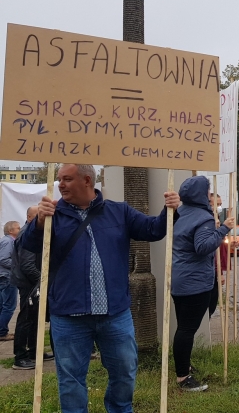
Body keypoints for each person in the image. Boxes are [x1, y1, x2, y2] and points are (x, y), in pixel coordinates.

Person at [19, 164, 180, 413]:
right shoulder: (52, 214)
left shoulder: (119, 211)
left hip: (115, 314)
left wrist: (170, 210)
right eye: (59, 179)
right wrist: (39, 221)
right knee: (71, 379)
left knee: (125, 371)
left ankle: (120, 408)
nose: (60, 184)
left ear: (87, 180)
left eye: (67, 179)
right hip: (69, 315)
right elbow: (26, 244)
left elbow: (153, 229)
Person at [171, 176, 234, 392]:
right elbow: (203, 247)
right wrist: (223, 229)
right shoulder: (203, 217)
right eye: (207, 191)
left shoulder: (180, 212)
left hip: (179, 279)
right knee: (187, 330)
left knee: (183, 327)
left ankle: (185, 366)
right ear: (200, 193)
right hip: (195, 283)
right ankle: (183, 377)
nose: (209, 195)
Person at [11, 206, 55, 370]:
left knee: (35, 318)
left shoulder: (33, 232)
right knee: (26, 319)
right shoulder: (26, 234)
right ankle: (20, 357)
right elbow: (27, 265)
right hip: (28, 284)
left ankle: (34, 352)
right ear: (30, 217)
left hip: (33, 283)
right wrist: (43, 281)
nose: (43, 219)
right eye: (38, 216)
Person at [0, 221, 21, 341]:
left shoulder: (6, 241)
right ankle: (2, 332)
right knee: (9, 306)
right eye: (18, 228)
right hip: (7, 277)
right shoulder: (8, 242)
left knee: (3, 305)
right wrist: (17, 266)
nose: (20, 229)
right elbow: (3, 259)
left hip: (4, 276)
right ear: (10, 231)